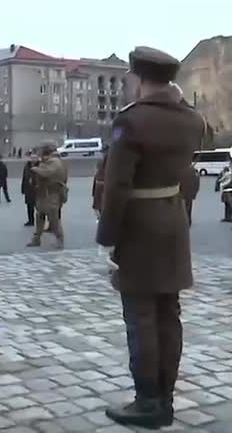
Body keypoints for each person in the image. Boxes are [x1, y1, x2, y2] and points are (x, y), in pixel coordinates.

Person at [96, 46, 205, 429]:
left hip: (139, 227)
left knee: (140, 316)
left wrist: (108, 235)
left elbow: (117, 185)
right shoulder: (192, 119)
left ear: (139, 78)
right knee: (168, 313)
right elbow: (187, 178)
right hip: (173, 223)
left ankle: (148, 402)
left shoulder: (133, 121)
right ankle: (166, 398)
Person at [27, 142, 67, 249]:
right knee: (39, 217)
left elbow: (47, 173)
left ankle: (60, 240)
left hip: (51, 194)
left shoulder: (55, 162)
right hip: (43, 194)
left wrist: (35, 169)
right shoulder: (49, 161)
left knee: (54, 219)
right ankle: (36, 239)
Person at [20, 153, 39, 226]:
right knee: (29, 207)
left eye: (35, 158)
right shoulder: (27, 166)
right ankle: (31, 220)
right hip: (29, 190)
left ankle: (40, 222)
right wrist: (23, 189)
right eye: (32, 158)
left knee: (39, 208)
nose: (33, 159)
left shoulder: (41, 166)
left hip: (37, 190)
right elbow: (24, 178)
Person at [181, 161, 199, 226]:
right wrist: (195, 192)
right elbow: (197, 184)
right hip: (190, 193)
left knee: (183, 209)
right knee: (189, 208)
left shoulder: (181, 171)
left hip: (182, 193)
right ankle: (189, 222)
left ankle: (184, 222)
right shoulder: (195, 171)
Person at [92, 148, 108, 219]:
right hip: (105, 184)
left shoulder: (101, 161)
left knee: (99, 205)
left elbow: (96, 174)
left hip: (100, 184)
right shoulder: (111, 160)